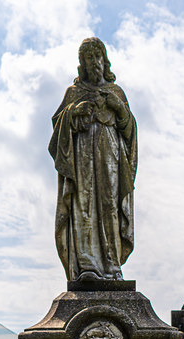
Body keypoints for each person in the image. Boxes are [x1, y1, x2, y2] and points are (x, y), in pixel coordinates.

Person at [49, 37, 137, 282]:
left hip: (110, 156)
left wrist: (119, 108)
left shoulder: (116, 92)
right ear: (82, 63)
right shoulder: (74, 93)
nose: (94, 62)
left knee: (109, 206)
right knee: (83, 205)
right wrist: (73, 112)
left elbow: (129, 131)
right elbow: (57, 128)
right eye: (88, 58)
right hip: (82, 157)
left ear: (104, 60)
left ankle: (112, 265)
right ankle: (87, 265)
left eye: (97, 56)